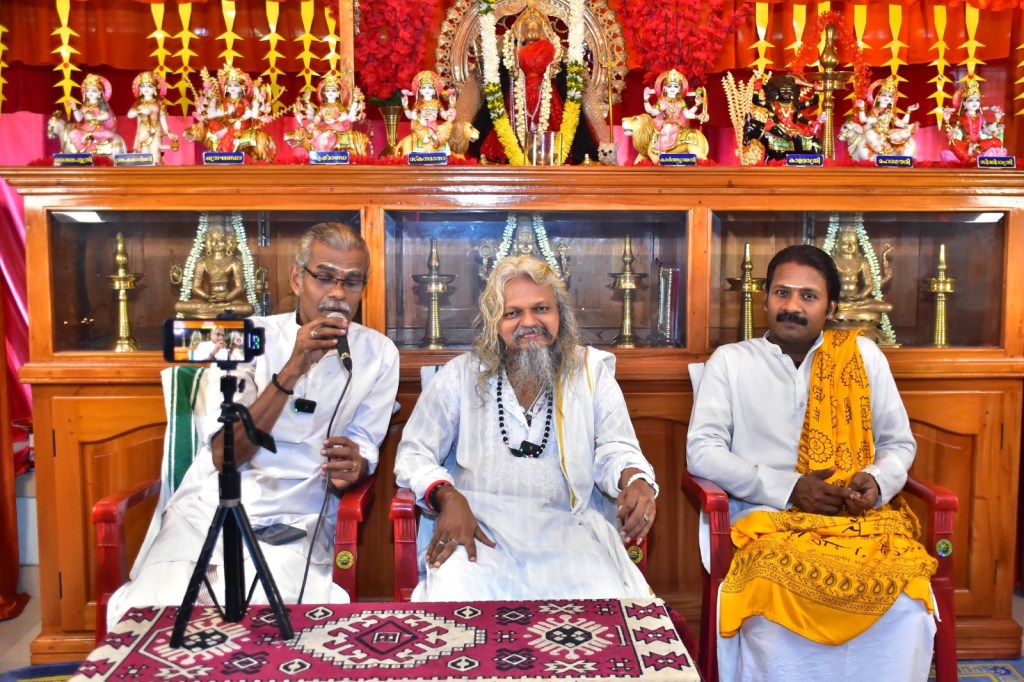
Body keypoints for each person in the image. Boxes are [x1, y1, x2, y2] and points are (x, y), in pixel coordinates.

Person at [107, 222, 400, 627]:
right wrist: (293, 368)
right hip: (208, 508)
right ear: (297, 279)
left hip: (296, 518)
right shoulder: (247, 337)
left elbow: (365, 445)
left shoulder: (379, 353)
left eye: (351, 281)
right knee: (158, 609)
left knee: (270, 617)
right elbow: (224, 454)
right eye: (324, 277)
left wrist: (358, 464)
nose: (337, 293)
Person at [686, 244, 937, 682]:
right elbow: (703, 451)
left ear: (831, 307)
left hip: (855, 521)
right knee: (772, 591)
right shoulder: (731, 361)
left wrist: (877, 480)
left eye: (808, 296)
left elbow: (898, 443)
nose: (792, 307)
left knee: (907, 599)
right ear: (766, 297)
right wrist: (789, 489)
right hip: (764, 521)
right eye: (782, 293)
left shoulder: (863, 357)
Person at [394, 255, 658, 601]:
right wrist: (447, 495)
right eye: (513, 313)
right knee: (456, 604)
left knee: (601, 606)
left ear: (561, 315)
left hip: (568, 532)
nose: (529, 322)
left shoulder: (590, 373)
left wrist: (635, 479)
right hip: (479, 530)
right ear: (494, 322)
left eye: (541, 309)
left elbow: (616, 447)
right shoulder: (460, 376)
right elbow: (414, 453)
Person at [175, 219, 254, 318]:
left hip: (228, 300)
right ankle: (220, 311)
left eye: (220, 241)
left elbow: (240, 287)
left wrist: (227, 298)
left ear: (228, 242)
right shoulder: (202, 262)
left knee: (248, 308)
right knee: (178, 306)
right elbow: (195, 287)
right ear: (208, 242)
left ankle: (214, 310)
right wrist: (207, 296)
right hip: (209, 300)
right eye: (213, 241)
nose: (216, 244)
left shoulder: (234, 262)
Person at [941, 79, 1007, 164]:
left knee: (997, 141)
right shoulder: (961, 118)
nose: (974, 102)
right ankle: (972, 158)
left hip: (979, 144)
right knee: (954, 143)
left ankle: (975, 157)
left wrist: (997, 122)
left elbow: (986, 131)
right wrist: (947, 123)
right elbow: (955, 131)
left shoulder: (981, 118)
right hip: (966, 144)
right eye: (971, 100)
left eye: (977, 100)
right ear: (964, 104)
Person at [643, 69, 707, 156]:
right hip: (666, 123)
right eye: (669, 86)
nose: (672, 88)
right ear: (665, 88)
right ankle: (661, 152)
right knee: (667, 129)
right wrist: (646, 100)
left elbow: (687, 114)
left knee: (672, 129)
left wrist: (698, 116)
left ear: (679, 89)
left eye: (675, 86)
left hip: (677, 123)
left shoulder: (681, 102)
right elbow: (653, 113)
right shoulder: (663, 101)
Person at [856, 76, 919, 159]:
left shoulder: (890, 111)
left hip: (888, 133)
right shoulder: (874, 110)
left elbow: (899, 123)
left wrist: (908, 111)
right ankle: (881, 154)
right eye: (884, 95)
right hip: (876, 132)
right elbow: (864, 120)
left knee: (902, 133)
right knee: (869, 134)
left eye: (890, 96)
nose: (887, 97)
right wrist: (861, 108)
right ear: (878, 97)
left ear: (892, 99)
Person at [126, 70, 178, 162]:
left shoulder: (159, 103)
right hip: (143, 130)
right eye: (143, 86)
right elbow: (130, 115)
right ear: (140, 89)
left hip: (155, 129)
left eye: (149, 86)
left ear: (154, 89)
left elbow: (162, 119)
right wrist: (141, 110)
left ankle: (156, 168)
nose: (146, 89)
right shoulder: (138, 103)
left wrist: (168, 133)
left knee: (155, 151)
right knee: (144, 153)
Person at [400, 70, 456, 153]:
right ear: (420, 90)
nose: (427, 90)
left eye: (430, 87)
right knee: (426, 138)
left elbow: (445, 116)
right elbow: (411, 116)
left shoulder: (437, 102)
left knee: (441, 139)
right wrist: (405, 106)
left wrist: (452, 106)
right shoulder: (419, 103)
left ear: (434, 90)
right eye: (424, 87)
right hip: (422, 126)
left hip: (434, 127)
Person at [68, 74, 118, 153]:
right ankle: (83, 151)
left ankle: (90, 140)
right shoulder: (84, 106)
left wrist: (93, 117)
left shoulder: (102, 104)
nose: (90, 93)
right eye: (88, 90)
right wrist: (74, 108)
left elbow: (106, 115)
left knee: (108, 134)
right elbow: (79, 119)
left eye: (94, 91)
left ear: (100, 93)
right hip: (85, 129)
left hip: (98, 129)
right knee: (72, 134)